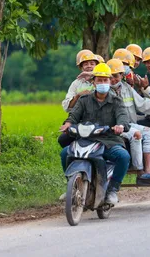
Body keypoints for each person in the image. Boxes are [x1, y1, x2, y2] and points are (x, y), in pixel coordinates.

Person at [59, 63, 131, 205]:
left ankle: (113, 189)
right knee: (65, 153)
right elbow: (74, 115)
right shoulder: (84, 100)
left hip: (109, 140)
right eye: (99, 80)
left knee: (124, 156)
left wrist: (120, 126)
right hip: (87, 139)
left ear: (110, 82)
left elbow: (123, 117)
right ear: (93, 82)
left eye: (105, 80)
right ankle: (72, 185)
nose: (102, 83)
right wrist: (68, 124)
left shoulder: (116, 101)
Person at [107, 58, 150, 185]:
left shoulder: (126, 88)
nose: (113, 79)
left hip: (128, 125)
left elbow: (142, 104)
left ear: (121, 75)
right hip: (113, 126)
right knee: (136, 135)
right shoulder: (103, 91)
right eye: (110, 76)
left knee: (149, 132)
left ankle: (147, 171)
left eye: (116, 76)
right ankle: (139, 170)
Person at [58, 49, 98, 148]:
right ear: (81, 67)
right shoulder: (76, 84)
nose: (89, 66)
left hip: (98, 119)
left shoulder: (101, 80)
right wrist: (78, 96)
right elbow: (67, 106)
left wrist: (94, 77)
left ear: (96, 66)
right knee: (63, 139)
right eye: (85, 64)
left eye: (92, 63)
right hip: (80, 120)